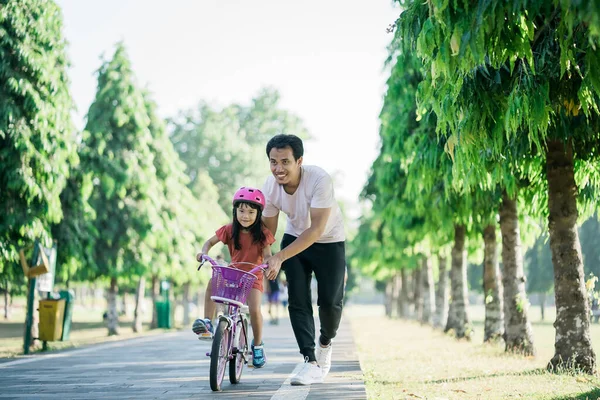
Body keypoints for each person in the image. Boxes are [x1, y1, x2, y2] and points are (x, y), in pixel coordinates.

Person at [261, 134, 346, 386]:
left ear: (299, 161)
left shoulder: (319, 179)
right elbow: (267, 231)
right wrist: (269, 258)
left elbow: (317, 229)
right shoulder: (271, 186)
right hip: (294, 239)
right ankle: (309, 360)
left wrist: (279, 256)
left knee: (330, 303)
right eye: (273, 161)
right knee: (298, 299)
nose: (278, 168)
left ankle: (325, 343)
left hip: (328, 241)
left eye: (285, 161)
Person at [192, 187, 275, 368]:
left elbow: (268, 254)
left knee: (254, 310)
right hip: (234, 273)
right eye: (242, 211)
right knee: (212, 282)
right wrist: (203, 252)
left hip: (253, 276)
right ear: (235, 211)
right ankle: (208, 322)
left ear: (258, 213)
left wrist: (269, 263)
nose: (246, 216)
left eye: (251, 212)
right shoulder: (229, 229)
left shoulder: (262, 233)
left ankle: (258, 345)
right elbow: (209, 242)